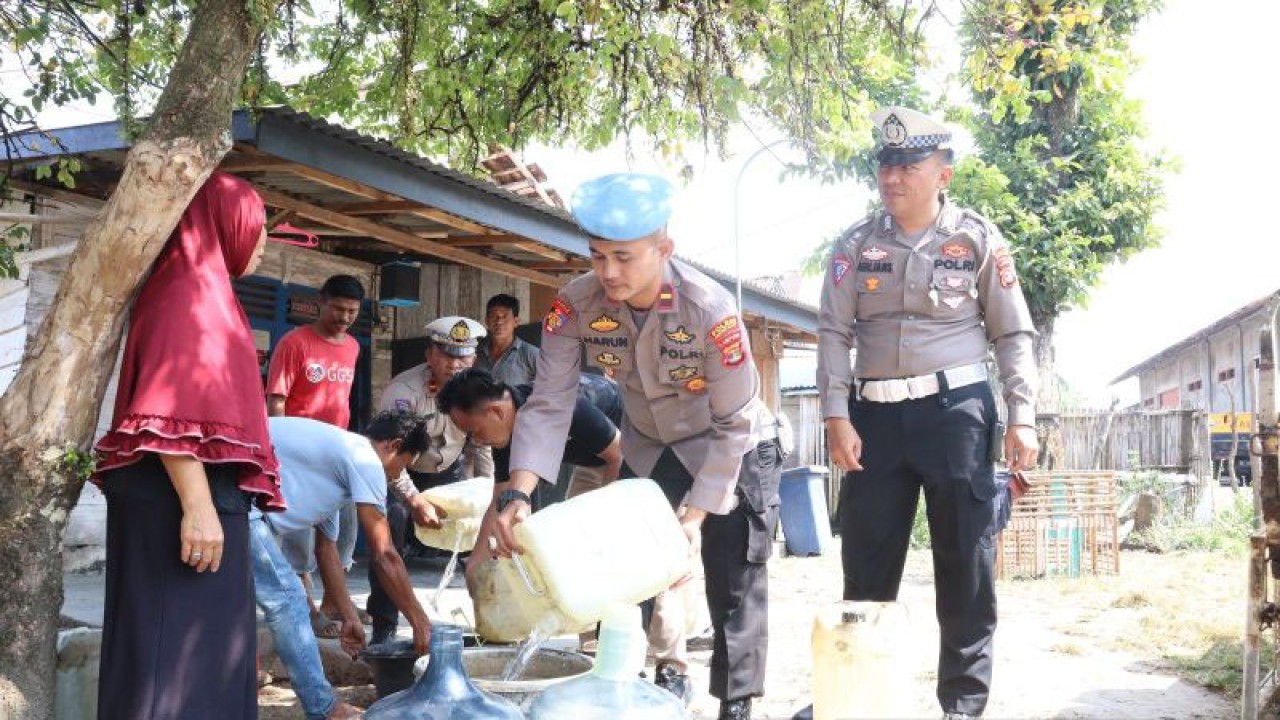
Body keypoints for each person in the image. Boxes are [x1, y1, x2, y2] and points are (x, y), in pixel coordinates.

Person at [489, 173, 783, 720]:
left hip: (733, 449)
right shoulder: (575, 304)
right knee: (618, 580)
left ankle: (736, 706)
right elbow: (550, 400)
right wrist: (518, 492)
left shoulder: (709, 310)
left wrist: (693, 519)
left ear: (663, 249)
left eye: (623, 257)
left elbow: (734, 421)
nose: (608, 272)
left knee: (733, 583)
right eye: (597, 256)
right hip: (649, 449)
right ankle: (613, 695)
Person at [813, 106, 1040, 720]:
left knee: (965, 563)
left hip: (956, 415)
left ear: (943, 172)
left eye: (909, 165)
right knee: (865, 564)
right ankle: (856, 700)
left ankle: (962, 705)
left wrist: (1023, 415)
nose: (892, 178)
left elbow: (1013, 334)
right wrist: (836, 414)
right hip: (874, 422)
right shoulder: (854, 246)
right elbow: (834, 331)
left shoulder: (979, 240)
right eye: (886, 165)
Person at [92, 172, 284, 720]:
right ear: (224, 224)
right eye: (258, 226)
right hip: (179, 498)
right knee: (168, 667)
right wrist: (198, 507)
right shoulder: (188, 293)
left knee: (202, 664)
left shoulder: (209, 293)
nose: (263, 241)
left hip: (198, 496)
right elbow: (164, 409)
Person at [251, 412, 439, 720]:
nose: (397, 476)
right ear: (393, 445)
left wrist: (348, 615)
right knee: (290, 602)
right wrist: (420, 621)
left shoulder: (337, 462)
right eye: (404, 464)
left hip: (247, 507)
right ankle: (324, 709)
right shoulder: (364, 459)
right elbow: (385, 553)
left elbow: (328, 551)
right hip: (237, 502)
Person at [368, 315, 495, 644]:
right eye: (447, 355)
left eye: (463, 356)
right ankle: (384, 627)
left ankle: (490, 626)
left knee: (484, 538)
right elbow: (389, 458)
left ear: (474, 358)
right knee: (388, 531)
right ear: (430, 356)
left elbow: (482, 447)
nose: (456, 364)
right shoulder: (403, 391)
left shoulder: (478, 390)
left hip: (448, 472)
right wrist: (413, 500)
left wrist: (490, 495)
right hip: (401, 473)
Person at [266, 273, 366, 638]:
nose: (344, 317)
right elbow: (276, 399)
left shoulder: (354, 347)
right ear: (322, 302)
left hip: (335, 456)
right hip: (297, 459)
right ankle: (305, 609)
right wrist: (278, 454)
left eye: (352, 311)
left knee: (333, 536)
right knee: (297, 538)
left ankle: (331, 605)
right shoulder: (295, 343)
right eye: (338, 308)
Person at [474, 293, 539, 385]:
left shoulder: (531, 354)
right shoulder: (475, 352)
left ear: (516, 322)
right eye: (494, 316)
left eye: (505, 317)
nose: (499, 321)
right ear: (487, 321)